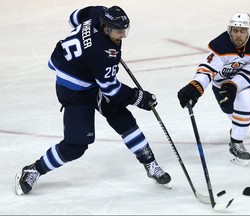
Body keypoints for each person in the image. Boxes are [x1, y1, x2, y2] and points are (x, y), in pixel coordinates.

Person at [15, 5, 171, 195]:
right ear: (106, 29)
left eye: (125, 30)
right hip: (73, 88)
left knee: (120, 115)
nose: (123, 34)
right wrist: (138, 97)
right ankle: (34, 169)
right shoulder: (104, 53)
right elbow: (110, 88)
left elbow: (74, 18)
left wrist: (87, 47)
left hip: (85, 72)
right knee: (76, 145)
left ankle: (150, 164)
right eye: (119, 31)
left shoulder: (98, 13)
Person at [177, 12, 250, 165]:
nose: (238, 35)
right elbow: (208, 69)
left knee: (245, 102)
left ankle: (236, 144)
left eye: (242, 31)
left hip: (246, 81)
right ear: (229, 30)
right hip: (221, 84)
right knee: (233, 113)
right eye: (235, 30)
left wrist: (233, 85)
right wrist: (195, 87)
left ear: (249, 32)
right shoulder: (221, 45)